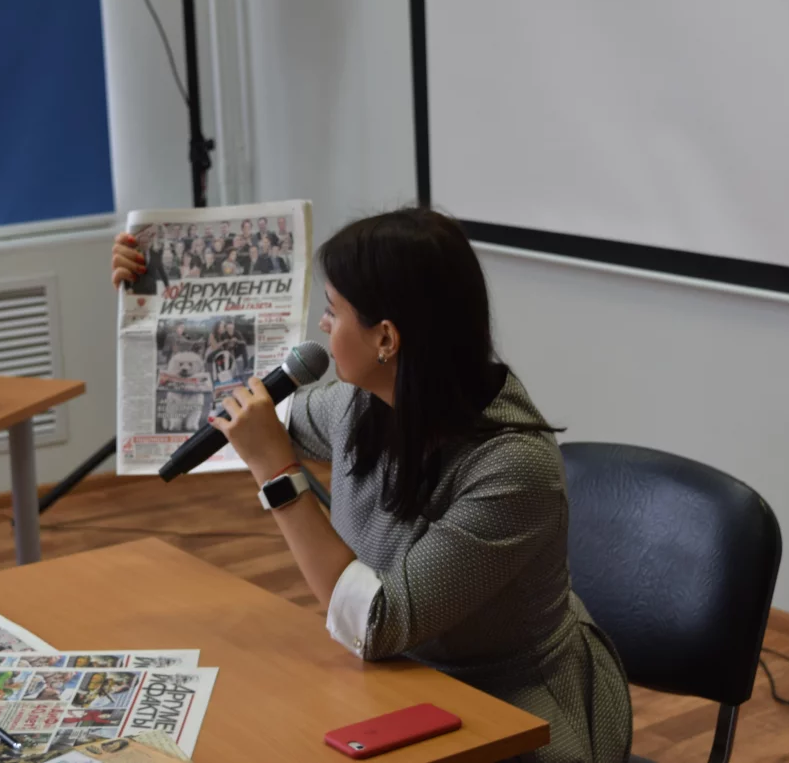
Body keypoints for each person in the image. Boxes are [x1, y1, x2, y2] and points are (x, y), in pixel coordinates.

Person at [111, 208, 632, 763]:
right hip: (400, 683)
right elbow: (238, 411)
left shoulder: (514, 468)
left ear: (385, 337)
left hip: (515, 718)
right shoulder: (366, 403)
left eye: (332, 310)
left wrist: (279, 477)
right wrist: (152, 300)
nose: (322, 327)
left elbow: (377, 622)